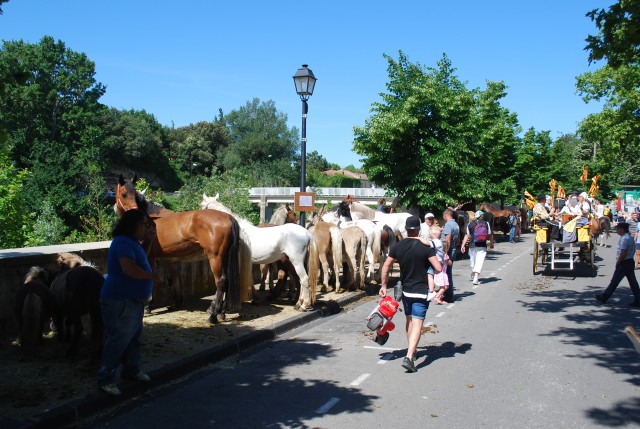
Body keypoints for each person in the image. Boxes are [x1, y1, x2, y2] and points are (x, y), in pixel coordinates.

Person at [97, 209, 162, 396]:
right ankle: (105, 378)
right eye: (144, 224)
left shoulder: (131, 242)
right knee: (118, 339)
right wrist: (151, 276)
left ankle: (131, 369)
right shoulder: (123, 243)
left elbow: (140, 257)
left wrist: (149, 241)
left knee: (132, 338)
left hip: (132, 300)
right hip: (120, 300)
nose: (146, 227)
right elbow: (128, 268)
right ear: (134, 225)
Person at [379, 216, 441, 373]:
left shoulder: (398, 246)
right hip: (421, 291)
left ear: (406, 230)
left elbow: (386, 265)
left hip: (405, 290)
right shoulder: (426, 247)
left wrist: (384, 285)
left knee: (409, 320)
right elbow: (438, 268)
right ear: (419, 229)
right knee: (418, 323)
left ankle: (411, 352)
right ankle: (409, 357)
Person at [595, 222, 640, 308]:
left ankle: (604, 296)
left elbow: (623, 252)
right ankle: (638, 299)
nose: (616, 231)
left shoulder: (624, 239)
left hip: (624, 262)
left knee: (614, 281)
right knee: (633, 282)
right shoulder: (630, 237)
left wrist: (618, 261)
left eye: (617, 229)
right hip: (630, 261)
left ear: (622, 230)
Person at [461, 210, 493, 285]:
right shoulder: (486, 223)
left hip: (472, 245)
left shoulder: (470, 224)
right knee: (479, 261)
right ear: (482, 216)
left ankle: (474, 273)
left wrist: (463, 245)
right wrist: (491, 243)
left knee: (473, 261)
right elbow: (490, 235)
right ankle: (475, 277)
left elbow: (467, 235)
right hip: (482, 246)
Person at [441, 208, 460, 302]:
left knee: (446, 273)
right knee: (448, 272)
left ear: (446, 215)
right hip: (453, 249)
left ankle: (448, 295)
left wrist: (445, 253)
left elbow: (447, 239)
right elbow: (458, 241)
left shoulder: (448, 224)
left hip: (447, 251)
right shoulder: (456, 224)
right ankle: (448, 294)